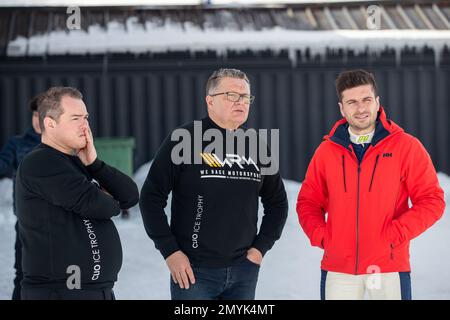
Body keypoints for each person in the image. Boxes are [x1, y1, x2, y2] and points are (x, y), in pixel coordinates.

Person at [139, 68, 288, 300]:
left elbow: (277, 202)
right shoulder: (185, 139)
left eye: (246, 96)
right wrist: (171, 252)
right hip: (194, 273)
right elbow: (151, 197)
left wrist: (260, 249)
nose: (241, 102)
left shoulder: (257, 146)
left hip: (244, 272)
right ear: (210, 101)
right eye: (231, 95)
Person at [296, 69, 446, 300]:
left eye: (366, 99)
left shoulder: (406, 146)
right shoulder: (326, 152)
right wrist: (323, 236)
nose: (361, 108)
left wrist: (395, 234)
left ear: (377, 102)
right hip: (339, 267)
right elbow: (308, 201)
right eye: (352, 102)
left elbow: (432, 200)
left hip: (387, 266)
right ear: (342, 108)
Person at [15, 86, 139, 300]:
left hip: (93, 291)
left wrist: (94, 164)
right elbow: (99, 205)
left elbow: (130, 196)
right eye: (75, 118)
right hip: (60, 292)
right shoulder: (41, 161)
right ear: (50, 124)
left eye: (86, 117)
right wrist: (105, 196)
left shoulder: (78, 163)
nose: (85, 125)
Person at [0, 95, 41, 300]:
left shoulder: (61, 144)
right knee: (22, 273)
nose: (37, 120)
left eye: (41, 115)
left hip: (56, 223)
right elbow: (2, 164)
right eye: (35, 115)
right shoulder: (17, 144)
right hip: (25, 220)